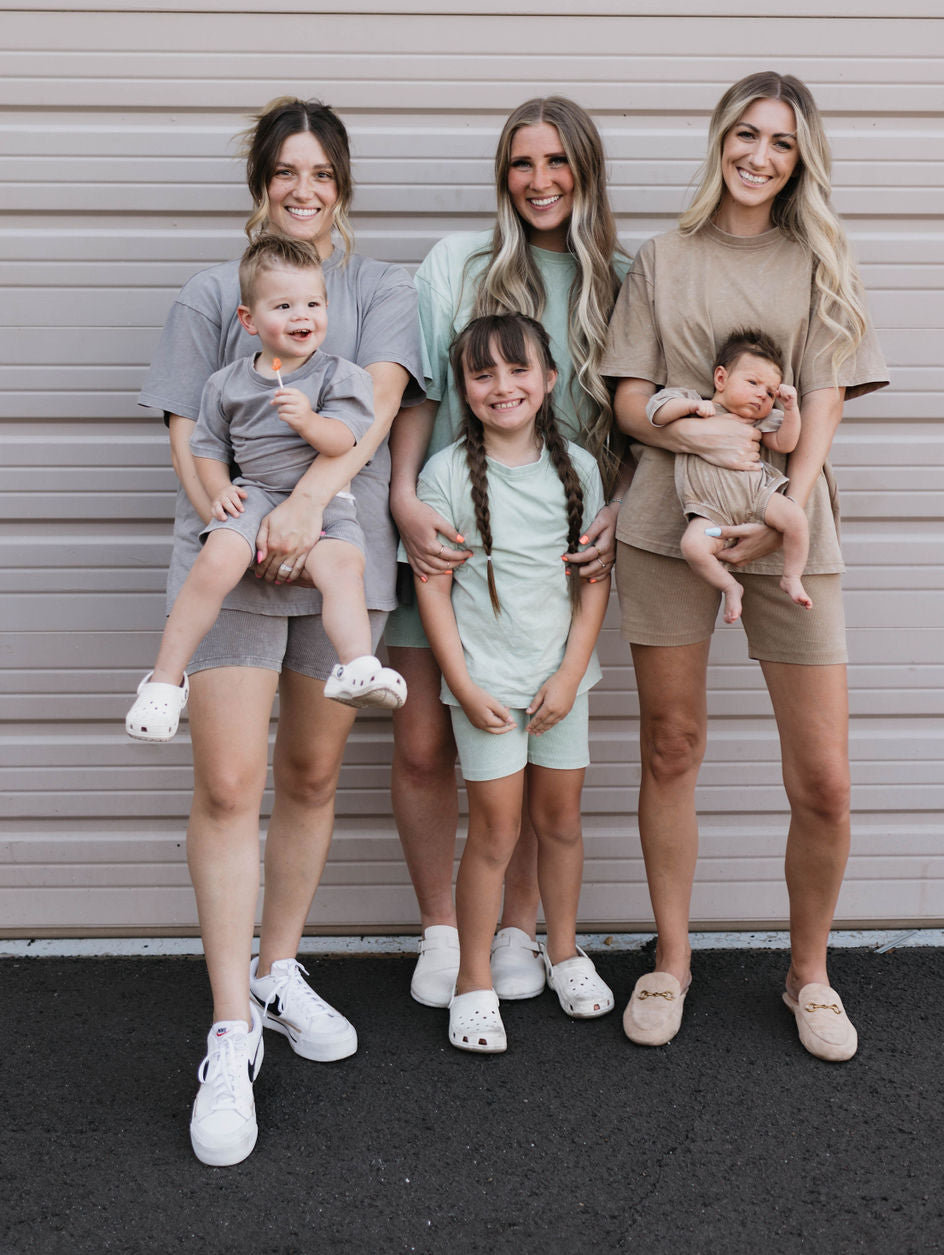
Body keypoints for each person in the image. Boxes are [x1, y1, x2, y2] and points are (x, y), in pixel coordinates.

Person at [138, 98, 422, 1165]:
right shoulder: (216, 293)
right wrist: (237, 514)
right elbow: (186, 430)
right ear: (261, 183)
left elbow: (382, 403)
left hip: (338, 552)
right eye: (284, 172)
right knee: (226, 785)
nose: (303, 188)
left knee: (309, 776)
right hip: (233, 556)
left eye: (321, 172)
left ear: (341, 184)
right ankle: (229, 1028)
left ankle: (278, 968)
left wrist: (308, 506)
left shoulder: (379, 288)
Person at [602, 72, 889, 1060]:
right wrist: (696, 428)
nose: (758, 154)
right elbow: (628, 401)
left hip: (789, 528)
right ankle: (671, 958)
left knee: (825, 781)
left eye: (780, 141)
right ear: (720, 138)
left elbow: (825, 399)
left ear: (799, 159)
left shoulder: (818, 262)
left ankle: (808, 972)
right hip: (668, 523)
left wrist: (786, 510)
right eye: (745, 134)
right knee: (671, 745)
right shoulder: (663, 257)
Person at [386, 97, 631, 1010]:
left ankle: (521, 929)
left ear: (586, 170)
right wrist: (406, 496)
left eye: (558, 161)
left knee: (533, 740)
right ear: (504, 174)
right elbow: (418, 393)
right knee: (421, 744)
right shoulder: (461, 264)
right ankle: (445, 933)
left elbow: (639, 413)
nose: (540, 181)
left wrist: (626, 504)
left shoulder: (620, 275)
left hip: (556, 559)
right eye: (522, 163)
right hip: (451, 539)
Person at [414, 314, 614, 1051]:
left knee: (559, 821)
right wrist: (463, 686)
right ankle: (473, 978)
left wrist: (568, 674)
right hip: (489, 688)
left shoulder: (581, 471)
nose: (503, 386)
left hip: (560, 683)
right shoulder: (444, 477)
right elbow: (434, 592)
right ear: (464, 390)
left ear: (550, 379)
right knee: (495, 830)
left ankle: (561, 951)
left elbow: (594, 582)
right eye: (483, 374)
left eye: (518, 369)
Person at [127, 234, 406, 740]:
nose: (303, 315)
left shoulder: (339, 376)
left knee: (344, 569)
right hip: (253, 493)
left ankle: (355, 665)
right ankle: (165, 681)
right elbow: (207, 447)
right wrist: (218, 493)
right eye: (284, 305)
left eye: (313, 304)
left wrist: (308, 422)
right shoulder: (227, 383)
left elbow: (346, 438)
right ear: (249, 321)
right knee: (215, 562)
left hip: (325, 506)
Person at [646, 328, 812, 624]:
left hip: (757, 498)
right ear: (721, 378)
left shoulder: (761, 420)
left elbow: (786, 443)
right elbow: (656, 414)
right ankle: (729, 586)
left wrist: (791, 408)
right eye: (753, 382)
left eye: (770, 392)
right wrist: (693, 406)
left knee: (796, 518)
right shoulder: (694, 407)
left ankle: (792, 576)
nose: (762, 394)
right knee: (693, 547)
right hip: (710, 509)